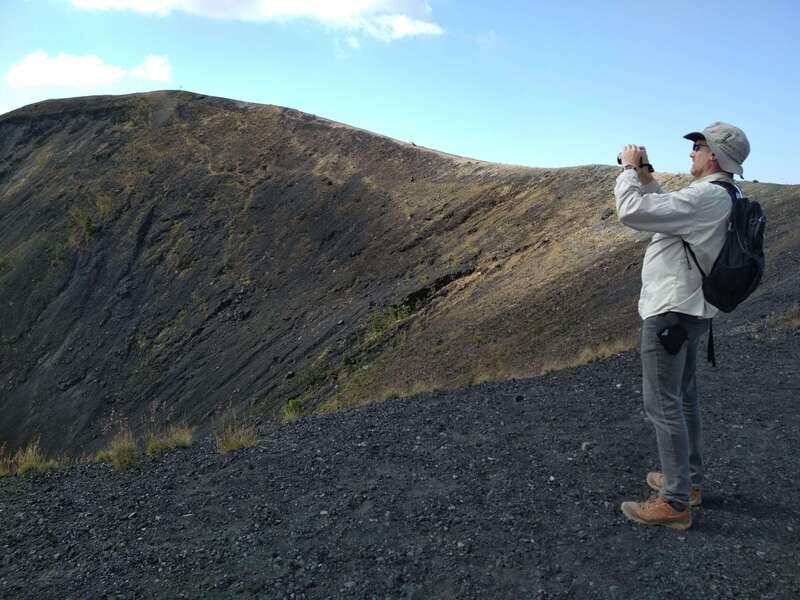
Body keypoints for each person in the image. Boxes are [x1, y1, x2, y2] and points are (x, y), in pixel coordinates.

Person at [613, 122, 751, 530]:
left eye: (699, 147)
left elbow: (632, 211)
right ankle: (687, 483)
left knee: (663, 404)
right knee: (683, 398)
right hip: (693, 311)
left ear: (714, 157)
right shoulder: (725, 194)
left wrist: (626, 171)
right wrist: (647, 178)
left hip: (670, 311)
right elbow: (672, 211)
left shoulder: (707, 195)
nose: (692, 152)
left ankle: (673, 501)